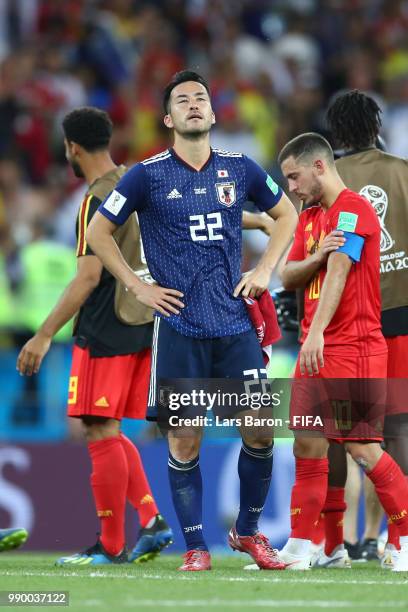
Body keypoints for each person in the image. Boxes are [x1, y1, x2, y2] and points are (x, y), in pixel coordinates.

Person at [85, 70, 298, 571]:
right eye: (182, 100)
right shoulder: (146, 174)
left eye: (201, 97)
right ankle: (197, 548)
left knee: (261, 430)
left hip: (234, 325)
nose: (194, 104)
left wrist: (264, 270)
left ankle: (247, 534)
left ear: (213, 112)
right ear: (168, 118)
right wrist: (137, 286)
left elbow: (285, 215)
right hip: (180, 327)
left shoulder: (239, 167)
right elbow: (98, 232)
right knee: (185, 437)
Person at [16, 107, 173, 566]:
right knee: (108, 428)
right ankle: (150, 521)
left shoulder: (97, 199)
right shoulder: (137, 185)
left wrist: (44, 335)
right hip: (141, 322)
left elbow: (87, 277)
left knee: (97, 429)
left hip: (105, 324)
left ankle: (110, 545)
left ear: (73, 148)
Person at [278, 132, 408, 572]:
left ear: (319, 166)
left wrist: (315, 332)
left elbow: (340, 268)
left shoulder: (354, 208)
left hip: (352, 345)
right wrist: (315, 256)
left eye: (294, 177)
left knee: (364, 450)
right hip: (316, 345)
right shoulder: (310, 214)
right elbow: (289, 272)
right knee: (308, 444)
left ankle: (405, 539)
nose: (292, 188)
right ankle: (304, 544)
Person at [327, 90, 408, 568]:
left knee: (337, 433)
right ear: (377, 125)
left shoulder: (328, 178)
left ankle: (332, 541)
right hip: (401, 314)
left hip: (344, 322)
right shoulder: (403, 172)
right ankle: (395, 540)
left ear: (334, 133)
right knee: (396, 431)